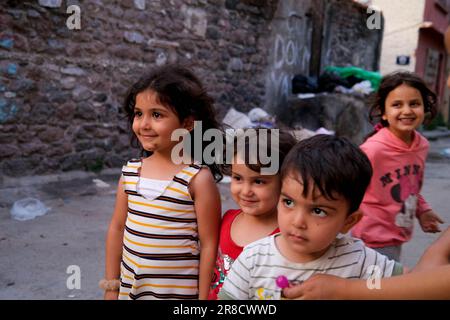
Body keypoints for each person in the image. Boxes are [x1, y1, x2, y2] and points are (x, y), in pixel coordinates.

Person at [218, 135, 403, 300]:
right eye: (288, 202)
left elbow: (411, 284)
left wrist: (350, 291)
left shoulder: (360, 260)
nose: (297, 222)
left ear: (349, 221)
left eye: (318, 211)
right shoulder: (253, 258)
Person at [101, 64, 222, 300]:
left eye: (156, 115)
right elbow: (116, 229)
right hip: (131, 291)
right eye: (138, 114)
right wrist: (111, 287)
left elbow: (209, 244)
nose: (144, 124)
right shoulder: (130, 173)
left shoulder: (197, 178)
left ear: (187, 124)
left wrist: (203, 298)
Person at [351, 71, 444, 261]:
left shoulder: (422, 145)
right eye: (397, 105)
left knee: (381, 287)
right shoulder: (373, 150)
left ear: (424, 108)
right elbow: (348, 188)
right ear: (384, 113)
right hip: (370, 237)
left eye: (414, 104)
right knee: (375, 287)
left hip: (397, 232)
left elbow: (410, 185)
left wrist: (422, 210)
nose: (407, 111)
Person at [208, 128, 297, 299]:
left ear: (286, 181)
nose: (246, 191)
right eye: (238, 178)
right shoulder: (227, 219)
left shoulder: (286, 236)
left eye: (258, 181)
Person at [282, 226, 450, 299]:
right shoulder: (257, 253)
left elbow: (401, 277)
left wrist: (343, 291)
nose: (298, 222)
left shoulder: (362, 258)